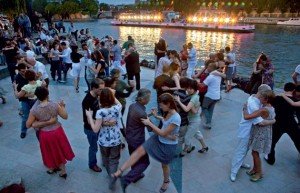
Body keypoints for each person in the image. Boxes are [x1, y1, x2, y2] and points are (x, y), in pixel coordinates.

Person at [112, 93, 180, 193]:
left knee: (164, 165)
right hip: (158, 139)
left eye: (161, 105)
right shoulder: (167, 112)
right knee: (139, 152)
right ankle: (119, 173)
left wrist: (149, 123)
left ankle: (166, 181)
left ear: (169, 104)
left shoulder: (176, 118)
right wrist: (156, 116)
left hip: (167, 145)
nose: (160, 107)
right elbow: (165, 121)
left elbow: (162, 133)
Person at [26, 87, 75, 178]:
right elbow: (65, 116)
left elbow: (28, 125)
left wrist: (40, 123)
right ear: (47, 94)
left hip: (45, 134)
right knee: (59, 150)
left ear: (37, 96)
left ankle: (51, 168)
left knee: (48, 151)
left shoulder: (34, 110)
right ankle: (63, 171)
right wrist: (63, 107)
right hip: (57, 131)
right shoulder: (55, 105)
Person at [230, 84, 275, 182]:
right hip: (247, 130)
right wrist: (273, 121)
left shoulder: (254, 97)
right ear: (263, 94)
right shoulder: (254, 104)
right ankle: (234, 171)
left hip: (251, 130)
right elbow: (260, 122)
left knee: (245, 150)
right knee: (241, 150)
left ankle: (241, 164)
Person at [85, 88, 123, 190]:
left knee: (106, 159)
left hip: (104, 141)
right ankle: (113, 176)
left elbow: (95, 129)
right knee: (114, 160)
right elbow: (119, 103)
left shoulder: (100, 112)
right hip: (116, 139)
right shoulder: (116, 108)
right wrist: (111, 94)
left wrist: (89, 116)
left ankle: (110, 174)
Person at [121, 89, 151, 192]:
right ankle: (128, 178)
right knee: (145, 162)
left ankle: (136, 175)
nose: (149, 100)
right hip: (138, 140)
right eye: (148, 98)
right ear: (143, 99)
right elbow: (150, 128)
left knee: (133, 157)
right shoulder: (142, 112)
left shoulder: (132, 106)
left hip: (129, 137)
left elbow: (139, 119)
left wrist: (148, 115)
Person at [264, 82, 300, 165]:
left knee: (272, 142)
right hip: (291, 123)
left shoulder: (276, 98)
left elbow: (269, 108)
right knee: (298, 141)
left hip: (277, 123)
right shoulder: (296, 100)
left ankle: (270, 159)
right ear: (293, 90)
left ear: (284, 89)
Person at [243, 90, 276, 182]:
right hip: (265, 132)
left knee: (255, 153)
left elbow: (247, 117)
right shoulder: (271, 108)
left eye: (261, 97)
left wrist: (245, 108)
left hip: (260, 133)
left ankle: (259, 173)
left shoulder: (263, 110)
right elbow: (273, 119)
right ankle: (255, 169)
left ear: (265, 99)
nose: (259, 98)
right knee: (255, 152)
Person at [176, 79, 209, 156]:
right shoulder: (193, 96)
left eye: (191, 88)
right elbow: (194, 110)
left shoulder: (193, 97)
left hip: (194, 120)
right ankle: (205, 146)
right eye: (188, 88)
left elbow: (187, 109)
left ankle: (185, 150)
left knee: (187, 137)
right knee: (197, 133)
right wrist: (196, 108)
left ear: (195, 89)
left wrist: (179, 101)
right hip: (192, 119)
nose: (188, 90)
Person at [13, 70, 46, 138]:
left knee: (26, 116)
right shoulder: (39, 83)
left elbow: (17, 96)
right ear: (34, 76)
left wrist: (15, 88)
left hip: (29, 102)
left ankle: (23, 131)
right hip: (36, 102)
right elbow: (44, 84)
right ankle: (39, 128)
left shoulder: (26, 87)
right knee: (38, 115)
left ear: (26, 77)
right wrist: (41, 78)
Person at [82, 79, 105, 172]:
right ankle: (92, 164)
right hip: (91, 128)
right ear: (94, 88)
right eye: (100, 89)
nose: (102, 91)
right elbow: (88, 119)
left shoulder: (97, 96)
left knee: (101, 144)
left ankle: (104, 161)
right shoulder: (87, 100)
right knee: (93, 147)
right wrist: (103, 123)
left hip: (98, 126)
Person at [200, 62, 223, 129]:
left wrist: (195, 83)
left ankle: (208, 121)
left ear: (212, 68)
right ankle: (208, 123)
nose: (207, 67)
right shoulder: (218, 76)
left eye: (209, 66)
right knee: (211, 110)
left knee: (204, 108)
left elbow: (202, 85)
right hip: (217, 96)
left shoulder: (210, 77)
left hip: (210, 95)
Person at [13, 63, 28, 138]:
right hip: (24, 99)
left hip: (32, 98)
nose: (24, 72)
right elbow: (17, 92)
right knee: (25, 116)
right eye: (22, 71)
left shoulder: (28, 74)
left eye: (25, 70)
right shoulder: (17, 78)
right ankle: (23, 131)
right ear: (19, 71)